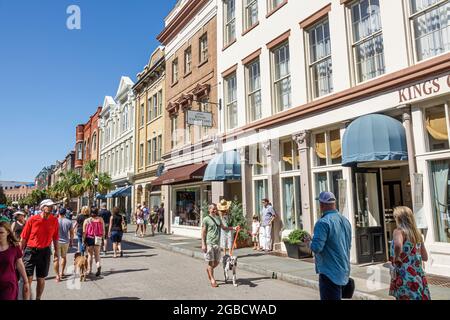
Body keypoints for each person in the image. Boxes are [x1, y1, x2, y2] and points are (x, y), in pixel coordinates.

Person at [307, 192, 352, 301]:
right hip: (343, 269)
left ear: (321, 205)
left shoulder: (323, 223)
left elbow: (317, 248)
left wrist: (308, 242)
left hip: (329, 272)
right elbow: (348, 244)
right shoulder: (345, 221)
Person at [389, 206, 431, 300]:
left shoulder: (398, 232)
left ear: (399, 218)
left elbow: (398, 245)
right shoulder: (417, 234)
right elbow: (425, 257)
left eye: (395, 217)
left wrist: (397, 257)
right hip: (418, 275)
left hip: (404, 275)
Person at [20, 199, 59, 300]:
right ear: (42, 207)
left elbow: (55, 238)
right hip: (30, 251)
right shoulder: (32, 219)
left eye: (52, 206)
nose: (51, 208)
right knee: (27, 280)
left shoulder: (54, 220)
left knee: (41, 279)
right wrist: (19, 253)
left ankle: (38, 298)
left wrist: (56, 253)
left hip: (45, 252)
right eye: (49, 206)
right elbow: (24, 237)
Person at [201, 203, 236, 288]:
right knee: (211, 262)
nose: (214, 210)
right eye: (213, 209)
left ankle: (209, 270)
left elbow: (224, 228)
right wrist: (203, 244)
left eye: (215, 209)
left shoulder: (218, 218)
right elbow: (203, 232)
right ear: (209, 210)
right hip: (209, 243)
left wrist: (233, 228)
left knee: (216, 262)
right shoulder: (206, 219)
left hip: (217, 243)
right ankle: (213, 280)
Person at [0, 221, 30, 300]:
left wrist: (26, 281)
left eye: (1, 232)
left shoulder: (14, 247)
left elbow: (20, 264)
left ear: (8, 233)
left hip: (9, 286)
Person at [53, 208, 74, 282]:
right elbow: (71, 233)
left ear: (58, 213)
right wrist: (71, 241)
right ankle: (62, 272)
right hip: (65, 242)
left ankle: (57, 275)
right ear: (65, 213)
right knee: (63, 257)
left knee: (56, 258)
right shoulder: (69, 221)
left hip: (56, 242)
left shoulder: (55, 221)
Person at [83, 207, 104, 277]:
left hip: (90, 238)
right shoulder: (100, 219)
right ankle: (98, 266)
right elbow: (103, 230)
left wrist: (84, 240)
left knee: (90, 255)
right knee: (97, 254)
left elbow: (84, 232)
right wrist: (103, 238)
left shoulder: (87, 220)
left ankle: (89, 270)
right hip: (98, 238)